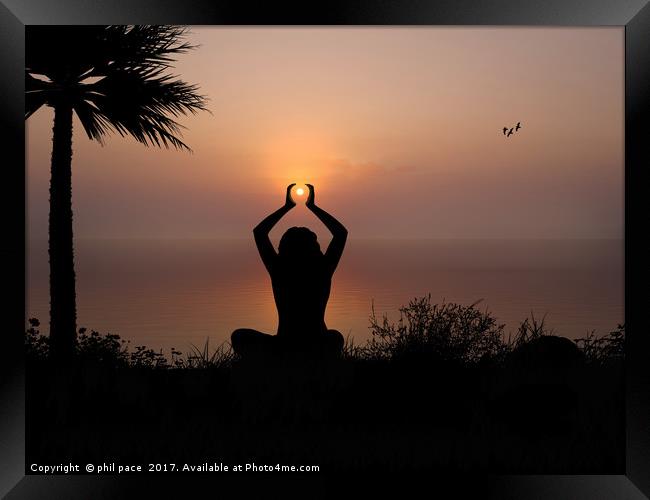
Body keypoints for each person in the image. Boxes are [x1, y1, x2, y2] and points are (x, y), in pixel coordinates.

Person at [231, 183, 347, 358]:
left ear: (283, 248)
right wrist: (313, 207)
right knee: (335, 337)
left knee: (239, 335)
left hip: (283, 345)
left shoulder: (279, 269)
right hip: (314, 343)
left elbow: (259, 232)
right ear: (314, 248)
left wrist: (286, 207)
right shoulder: (323, 269)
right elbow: (340, 233)